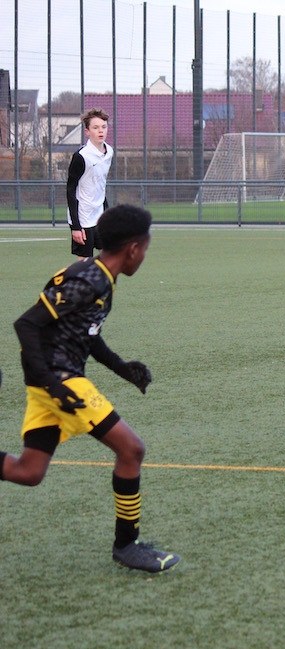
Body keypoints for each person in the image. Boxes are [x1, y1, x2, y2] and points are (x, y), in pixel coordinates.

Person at [0, 205, 181, 573]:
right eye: (145, 249)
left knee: (28, 472)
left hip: (52, 381)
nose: (144, 256)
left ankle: (127, 545)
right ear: (133, 249)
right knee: (132, 449)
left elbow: (86, 333)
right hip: (60, 380)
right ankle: (126, 545)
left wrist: (121, 367)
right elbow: (27, 325)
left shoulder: (100, 277)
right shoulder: (89, 280)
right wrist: (52, 383)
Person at [66, 108, 113, 260]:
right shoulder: (81, 156)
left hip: (99, 216)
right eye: (95, 127)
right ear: (87, 131)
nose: (101, 131)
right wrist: (76, 226)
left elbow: (100, 185)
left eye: (104, 127)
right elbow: (71, 189)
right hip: (83, 217)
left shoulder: (109, 152)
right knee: (85, 264)